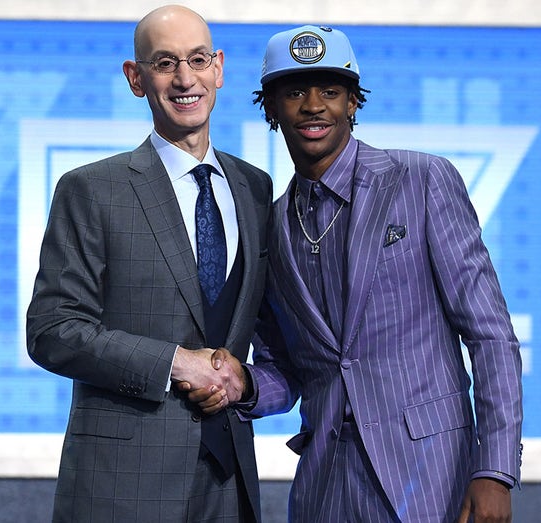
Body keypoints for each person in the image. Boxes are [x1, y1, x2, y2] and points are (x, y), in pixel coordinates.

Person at [196, 24, 523, 522]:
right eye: (294, 92)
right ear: (271, 107)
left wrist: (494, 471)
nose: (313, 106)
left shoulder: (421, 180)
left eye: (330, 91)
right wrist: (243, 382)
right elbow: (288, 367)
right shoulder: (272, 224)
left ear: (353, 102)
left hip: (432, 474)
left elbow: (491, 336)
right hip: (325, 484)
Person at [25, 5, 272, 522]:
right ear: (136, 78)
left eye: (198, 59)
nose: (186, 78)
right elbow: (52, 329)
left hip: (229, 485)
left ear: (219, 68)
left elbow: (264, 328)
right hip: (122, 486)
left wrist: (245, 382)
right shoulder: (91, 189)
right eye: (165, 63)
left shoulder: (255, 188)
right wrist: (176, 362)